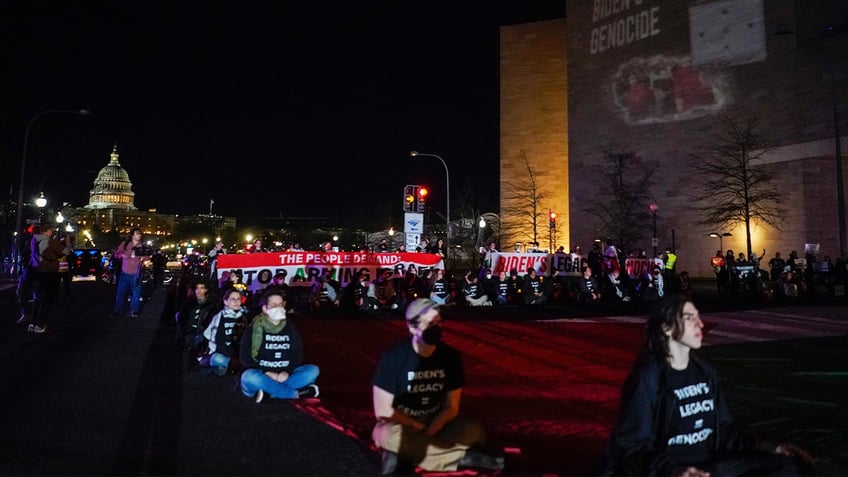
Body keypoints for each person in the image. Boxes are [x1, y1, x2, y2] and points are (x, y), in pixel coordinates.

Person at [602, 294, 813, 477]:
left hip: (711, 466)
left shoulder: (705, 373)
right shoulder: (648, 379)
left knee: (790, 466)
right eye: (689, 318)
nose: (700, 324)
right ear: (666, 327)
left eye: (698, 317)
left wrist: (767, 446)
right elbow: (631, 445)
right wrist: (672, 471)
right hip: (671, 470)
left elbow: (723, 430)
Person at [371, 298, 504, 474]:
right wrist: (416, 426)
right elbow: (383, 411)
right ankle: (463, 458)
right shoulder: (393, 358)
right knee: (384, 434)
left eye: (439, 322)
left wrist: (432, 429)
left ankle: (408, 456)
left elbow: (451, 407)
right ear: (412, 327)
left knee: (474, 431)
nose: (437, 327)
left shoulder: (450, 356)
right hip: (403, 424)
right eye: (430, 323)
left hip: (436, 424)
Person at [239, 289, 320, 403]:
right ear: (265, 309)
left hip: (284, 376)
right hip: (262, 376)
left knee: (313, 370)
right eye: (274, 305)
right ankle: (293, 394)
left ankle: (270, 393)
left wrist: (287, 371)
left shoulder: (291, 328)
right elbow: (244, 357)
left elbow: (298, 354)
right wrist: (266, 372)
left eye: (280, 304)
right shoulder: (253, 328)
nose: (278, 307)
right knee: (249, 377)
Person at [27, 223, 72, 333]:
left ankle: (32, 323)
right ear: (49, 230)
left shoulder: (34, 240)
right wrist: (68, 243)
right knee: (46, 299)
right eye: (52, 229)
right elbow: (66, 252)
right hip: (49, 272)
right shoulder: (51, 241)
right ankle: (40, 324)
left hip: (36, 271)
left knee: (37, 299)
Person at [204, 288, 247, 375]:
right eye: (232, 299)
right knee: (217, 358)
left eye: (238, 299)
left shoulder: (245, 317)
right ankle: (236, 367)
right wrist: (231, 355)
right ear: (226, 302)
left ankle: (230, 367)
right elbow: (218, 341)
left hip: (241, 352)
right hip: (222, 352)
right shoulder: (219, 317)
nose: (236, 301)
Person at [112, 228, 148, 318]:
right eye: (137, 234)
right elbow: (116, 254)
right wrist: (122, 255)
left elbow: (147, 256)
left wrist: (144, 258)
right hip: (124, 272)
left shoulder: (142, 246)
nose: (139, 235)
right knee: (120, 292)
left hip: (136, 272)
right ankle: (117, 310)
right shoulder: (125, 244)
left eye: (139, 234)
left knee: (136, 293)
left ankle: (134, 310)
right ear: (132, 235)